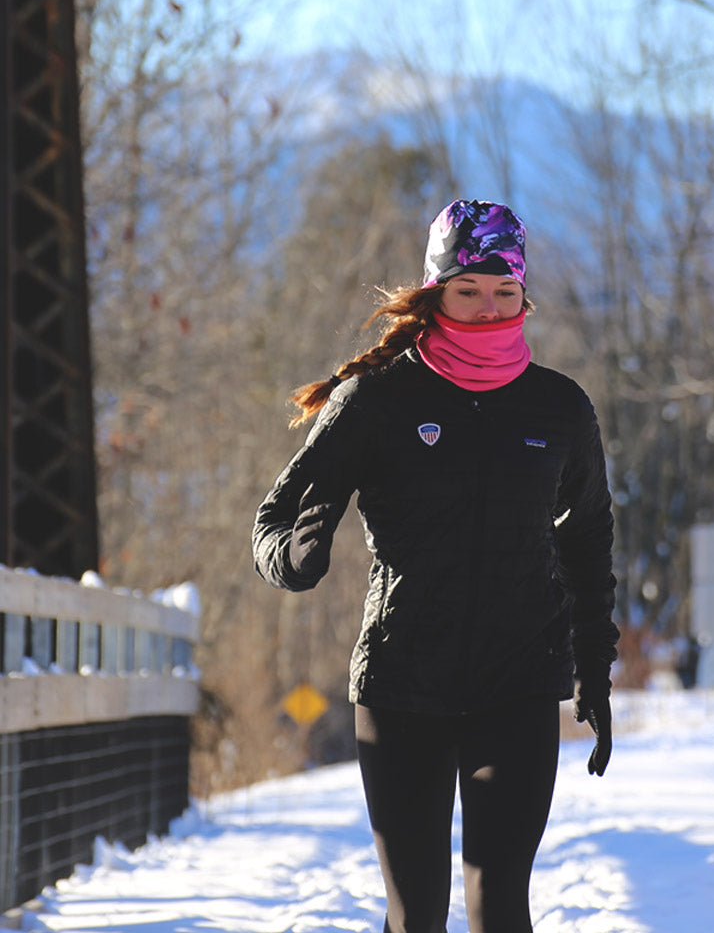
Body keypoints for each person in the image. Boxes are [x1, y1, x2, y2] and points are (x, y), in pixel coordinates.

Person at [253, 199, 618, 933]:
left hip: (517, 686)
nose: (488, 308)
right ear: (435, 293)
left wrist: (594, 668)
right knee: (416, 915)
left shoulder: (558, 409)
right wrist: (294, 560)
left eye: (504, 291)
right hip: (401, 687)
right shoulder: (376, 400)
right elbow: (272, 520)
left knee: (499, 907)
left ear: (524, 295)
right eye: (468, 290)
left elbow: (587, 541)